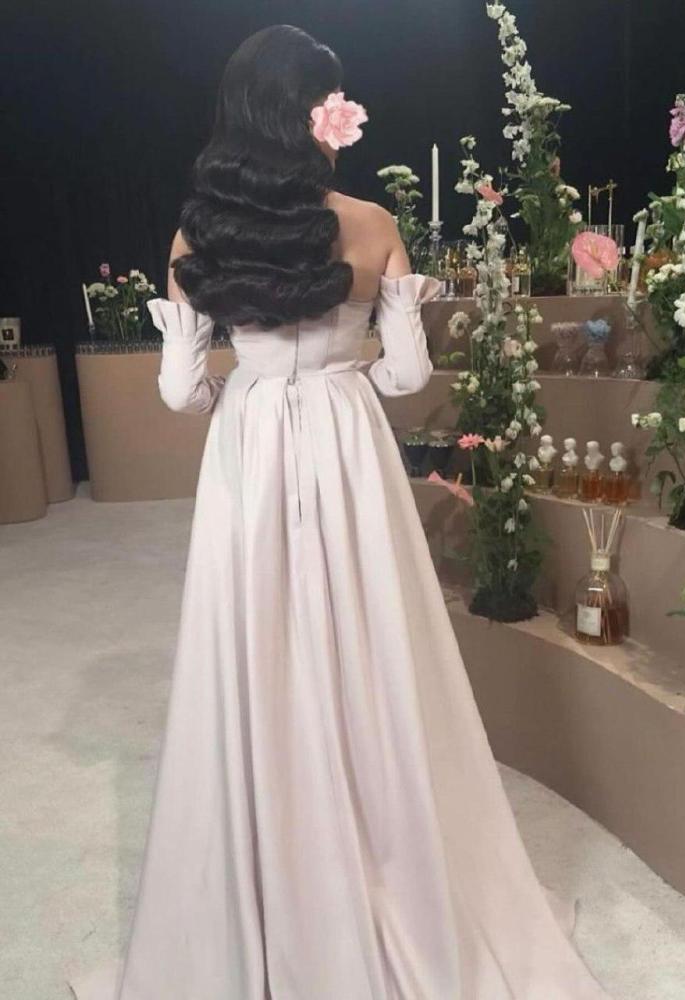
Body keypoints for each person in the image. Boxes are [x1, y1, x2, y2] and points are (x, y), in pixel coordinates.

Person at [69, 23, 611, 999]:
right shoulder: (370, 222)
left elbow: (180, 393)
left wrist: (245, 382)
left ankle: (271, 874)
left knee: (256, 638)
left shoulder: (197, 235)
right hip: (345, 441)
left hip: (250, 445)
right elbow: (405, 377)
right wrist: (341, 368)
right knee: (367, 638)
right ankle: (385, 851)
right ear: (321, 114)